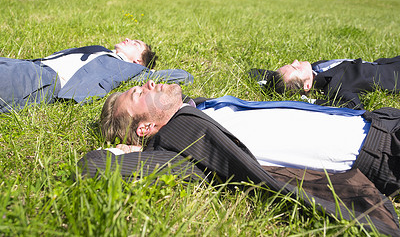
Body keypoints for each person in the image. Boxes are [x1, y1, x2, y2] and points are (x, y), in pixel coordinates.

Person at [78, 81, 400, 235]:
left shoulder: (201, 108)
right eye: (138, 94)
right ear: (146, 127)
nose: (147, 83)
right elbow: (92, 167)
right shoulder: (185, 146)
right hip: (384, 151)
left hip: (382, 119)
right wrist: (118, 151)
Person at [0, 39, 193, 113]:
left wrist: (147, 72)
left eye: (136, 44)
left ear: (138, 62)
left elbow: (183, 77)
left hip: (43, 78)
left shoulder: (129, 69)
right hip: (26, 64)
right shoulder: (103, 51)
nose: (128, 39)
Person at [248, 56, 400, 109]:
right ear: (307, 86)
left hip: (388, 63)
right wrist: (311, 101)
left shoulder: (314, 72)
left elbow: (254, 72)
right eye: (296, 67)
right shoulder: (336, 85)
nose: (296, 61)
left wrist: (269, 82)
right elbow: (352, 106)